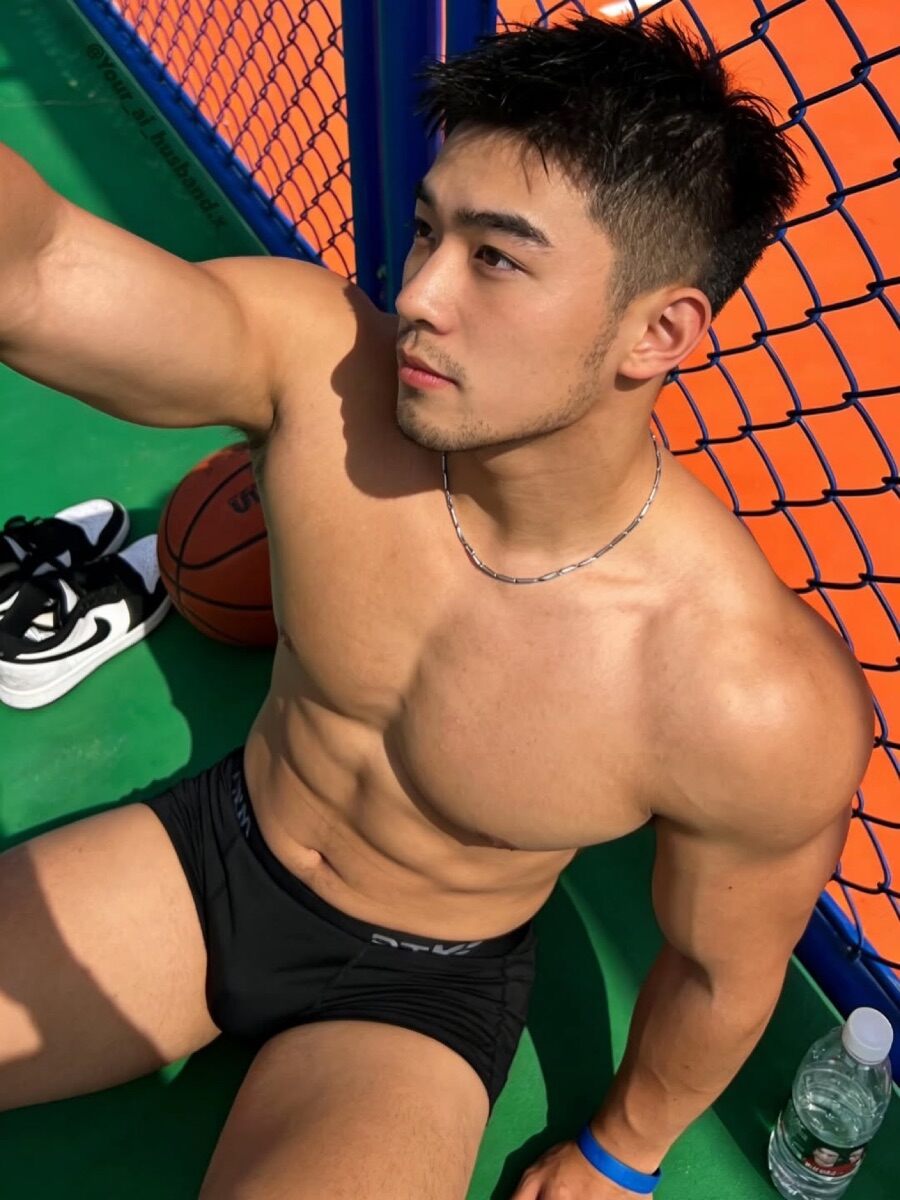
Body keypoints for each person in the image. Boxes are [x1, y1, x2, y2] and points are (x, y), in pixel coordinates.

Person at [0, 14, 874, 1200]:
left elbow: (720, 971)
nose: (416, 291)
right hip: (218, 854)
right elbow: (39, 271)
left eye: (496, 258)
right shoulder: (319, 367)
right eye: (427, 229)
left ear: (659, 331)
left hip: (418, 988)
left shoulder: (744, 692)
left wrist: (620, 1154)